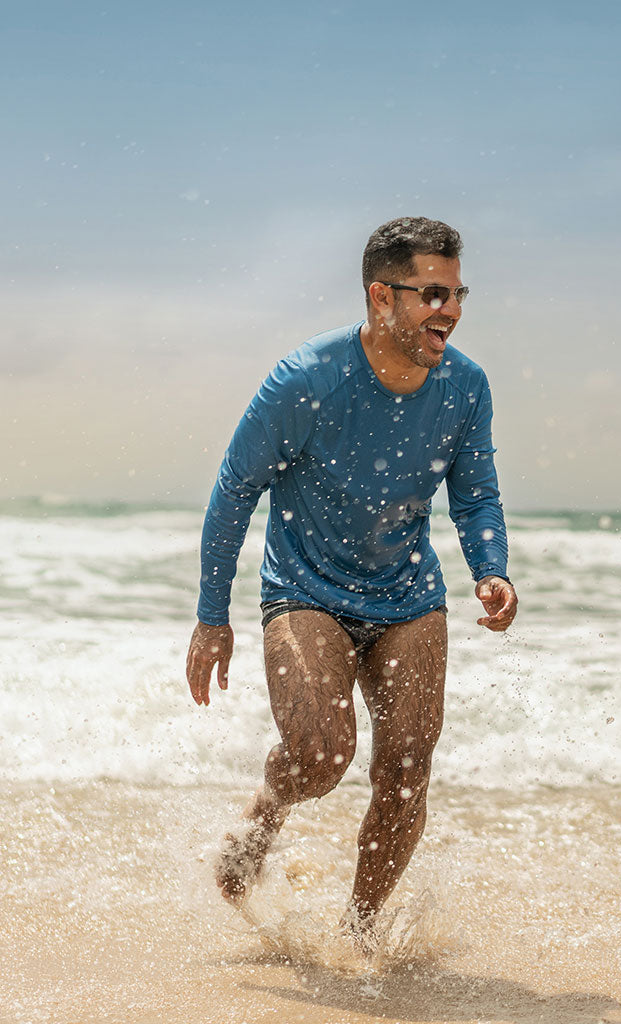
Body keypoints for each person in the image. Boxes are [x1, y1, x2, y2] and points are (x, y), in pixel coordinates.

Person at [186, 216, 517, 938]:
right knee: (322, 755)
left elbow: (476, 491)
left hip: (409, 597)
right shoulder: (306, 379)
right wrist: (214, 619)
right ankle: (267, 811)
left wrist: (491, 571)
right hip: (306, 591)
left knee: (405, 769)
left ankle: (359, 931)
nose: (450, 310)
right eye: (432, 293)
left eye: (458, 293)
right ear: (381, 297)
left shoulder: (465, 386)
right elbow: (234, 490)